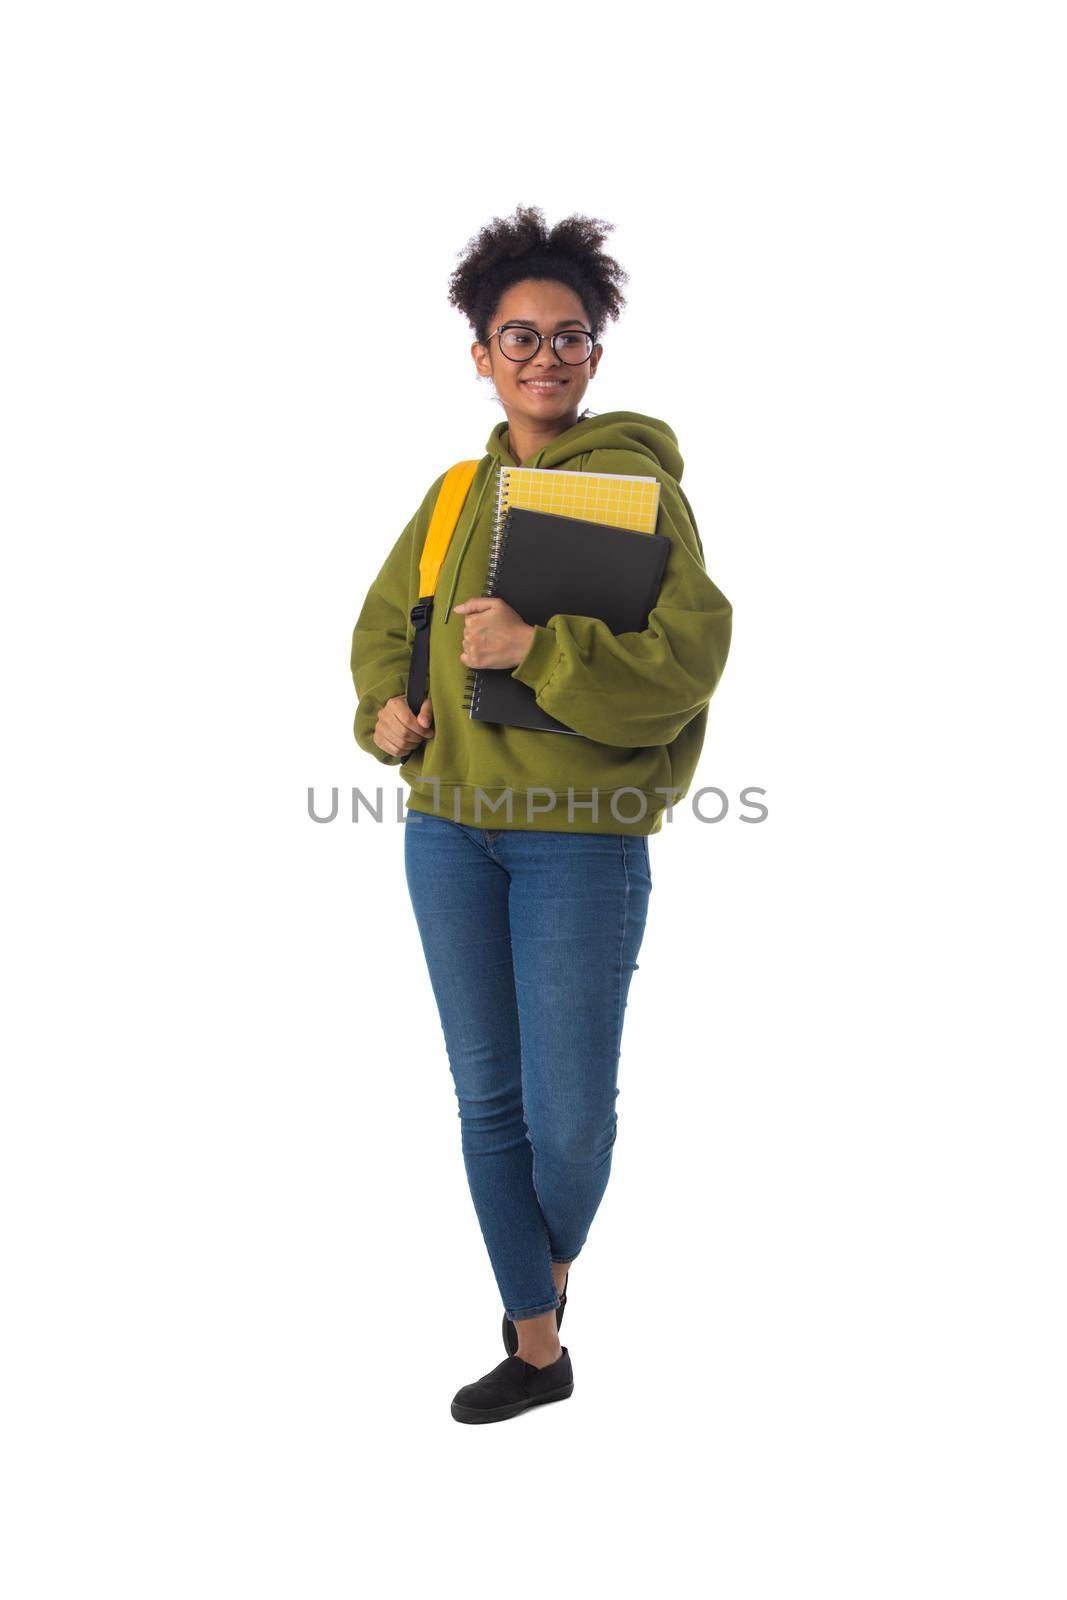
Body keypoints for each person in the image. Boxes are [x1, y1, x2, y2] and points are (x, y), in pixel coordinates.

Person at [350, 205, 733, 1423]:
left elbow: (688, 655)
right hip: (447, 831)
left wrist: (541, 647)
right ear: (479, 352)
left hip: (581, 834)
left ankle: (539, 1291)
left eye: (569, 337)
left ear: (597, 353)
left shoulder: (632, 485)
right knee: (485, 1098)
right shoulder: (458, 489)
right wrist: (384, 713)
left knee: (568, 1115)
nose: (545, 359)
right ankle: (535, 1344)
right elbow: (386, 632)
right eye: (518, 338)